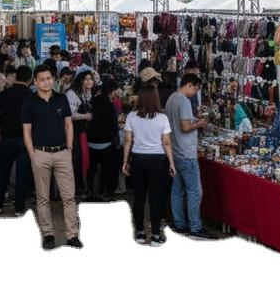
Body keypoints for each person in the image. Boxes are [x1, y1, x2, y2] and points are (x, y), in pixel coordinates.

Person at [22, 65, 81, 250]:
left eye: (49, 78)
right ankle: (48, 234)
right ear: (35, 81)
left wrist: (69, 148)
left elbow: (68, 125)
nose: (47, 82)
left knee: (69, 196)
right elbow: (26, 131)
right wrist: (32, 154)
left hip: (62, 152)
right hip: (40, 153)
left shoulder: (61, 99)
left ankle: (72, 235)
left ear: (53, 79)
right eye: (42, 79)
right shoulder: (29, 102)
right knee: (43, 197)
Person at [122, 79, 176, 246]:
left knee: (139, 197)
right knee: (156, 198)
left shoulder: (131, 116)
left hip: (138, 159)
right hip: (158, 161)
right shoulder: (162, 118)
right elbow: (167, 143)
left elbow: (127, 141)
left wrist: (125, 160)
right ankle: (155, 235)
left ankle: (139, 232)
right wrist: (171, 163)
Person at [164, 72, 212, 239]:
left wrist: (193, 120)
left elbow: (178, 124)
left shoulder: (171, 99)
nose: (195, 92)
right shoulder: (184, 101)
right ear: (189, 85)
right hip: (186, 153)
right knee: (195, 191)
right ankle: (195, 226)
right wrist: (200, 123)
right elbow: (184, 127)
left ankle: (179, 224)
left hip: (175, 152)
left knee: (177, 190)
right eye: (195, 89)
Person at [0, 64, 33, 215]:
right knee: (22, 174)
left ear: (15, 77)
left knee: (3, 173)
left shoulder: (4, 94)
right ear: (30, 79)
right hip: (25, 139)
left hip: (6, 137)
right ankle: (19, 208)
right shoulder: (31, 96)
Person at [86, 76, 120, 200]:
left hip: (91, 142)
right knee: (107, 168)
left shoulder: (92, 101)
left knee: (92, 167)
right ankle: (105, 192)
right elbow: (114, 126)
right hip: (105, 142)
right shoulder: (110, 105)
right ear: (111, 91)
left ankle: (90, 191)